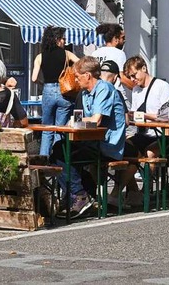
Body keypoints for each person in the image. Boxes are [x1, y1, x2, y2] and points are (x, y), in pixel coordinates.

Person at [53, 57, 128, 219]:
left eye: (77, 77)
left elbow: (96, 119)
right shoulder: (86, 93)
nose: (76, 80)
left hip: (108, 145)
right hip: (92, 142)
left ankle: (80, 196)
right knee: (58, 151)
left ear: (87, 75)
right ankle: (81, 195)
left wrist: (74, 122)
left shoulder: (104, 89)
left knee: (62, 152)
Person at [31, 26, 79, 156]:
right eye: (63, 39)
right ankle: (59, 160)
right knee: (60, 129)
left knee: (47, 129)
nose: (65, 42)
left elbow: (34, 78)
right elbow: (81, 64)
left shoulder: (40, 56)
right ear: (57, 40)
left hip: (48, 90)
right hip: (64, 92)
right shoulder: (67, 54)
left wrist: (43, 84)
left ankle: (44, 160)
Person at [123, 55, 169, 158]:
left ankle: (147, 174)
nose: (132, 80)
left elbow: (168, 116)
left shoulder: (162, 86)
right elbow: (135, 113)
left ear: (144, 68)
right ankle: (134, 173)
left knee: (149, 153)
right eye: (129, 77)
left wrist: (144, 116)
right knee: (126, 149)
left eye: (134, 75)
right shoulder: (136, 90)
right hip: (143, 134)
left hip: (161, 136)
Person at [91, 23, 133, 90]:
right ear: (116, 39)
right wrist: (138, 89)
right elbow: (122, 78)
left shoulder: (94, 54)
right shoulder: (119, 53)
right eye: (122, 38)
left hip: (98, 93)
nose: (124, 40)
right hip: (114, 93)